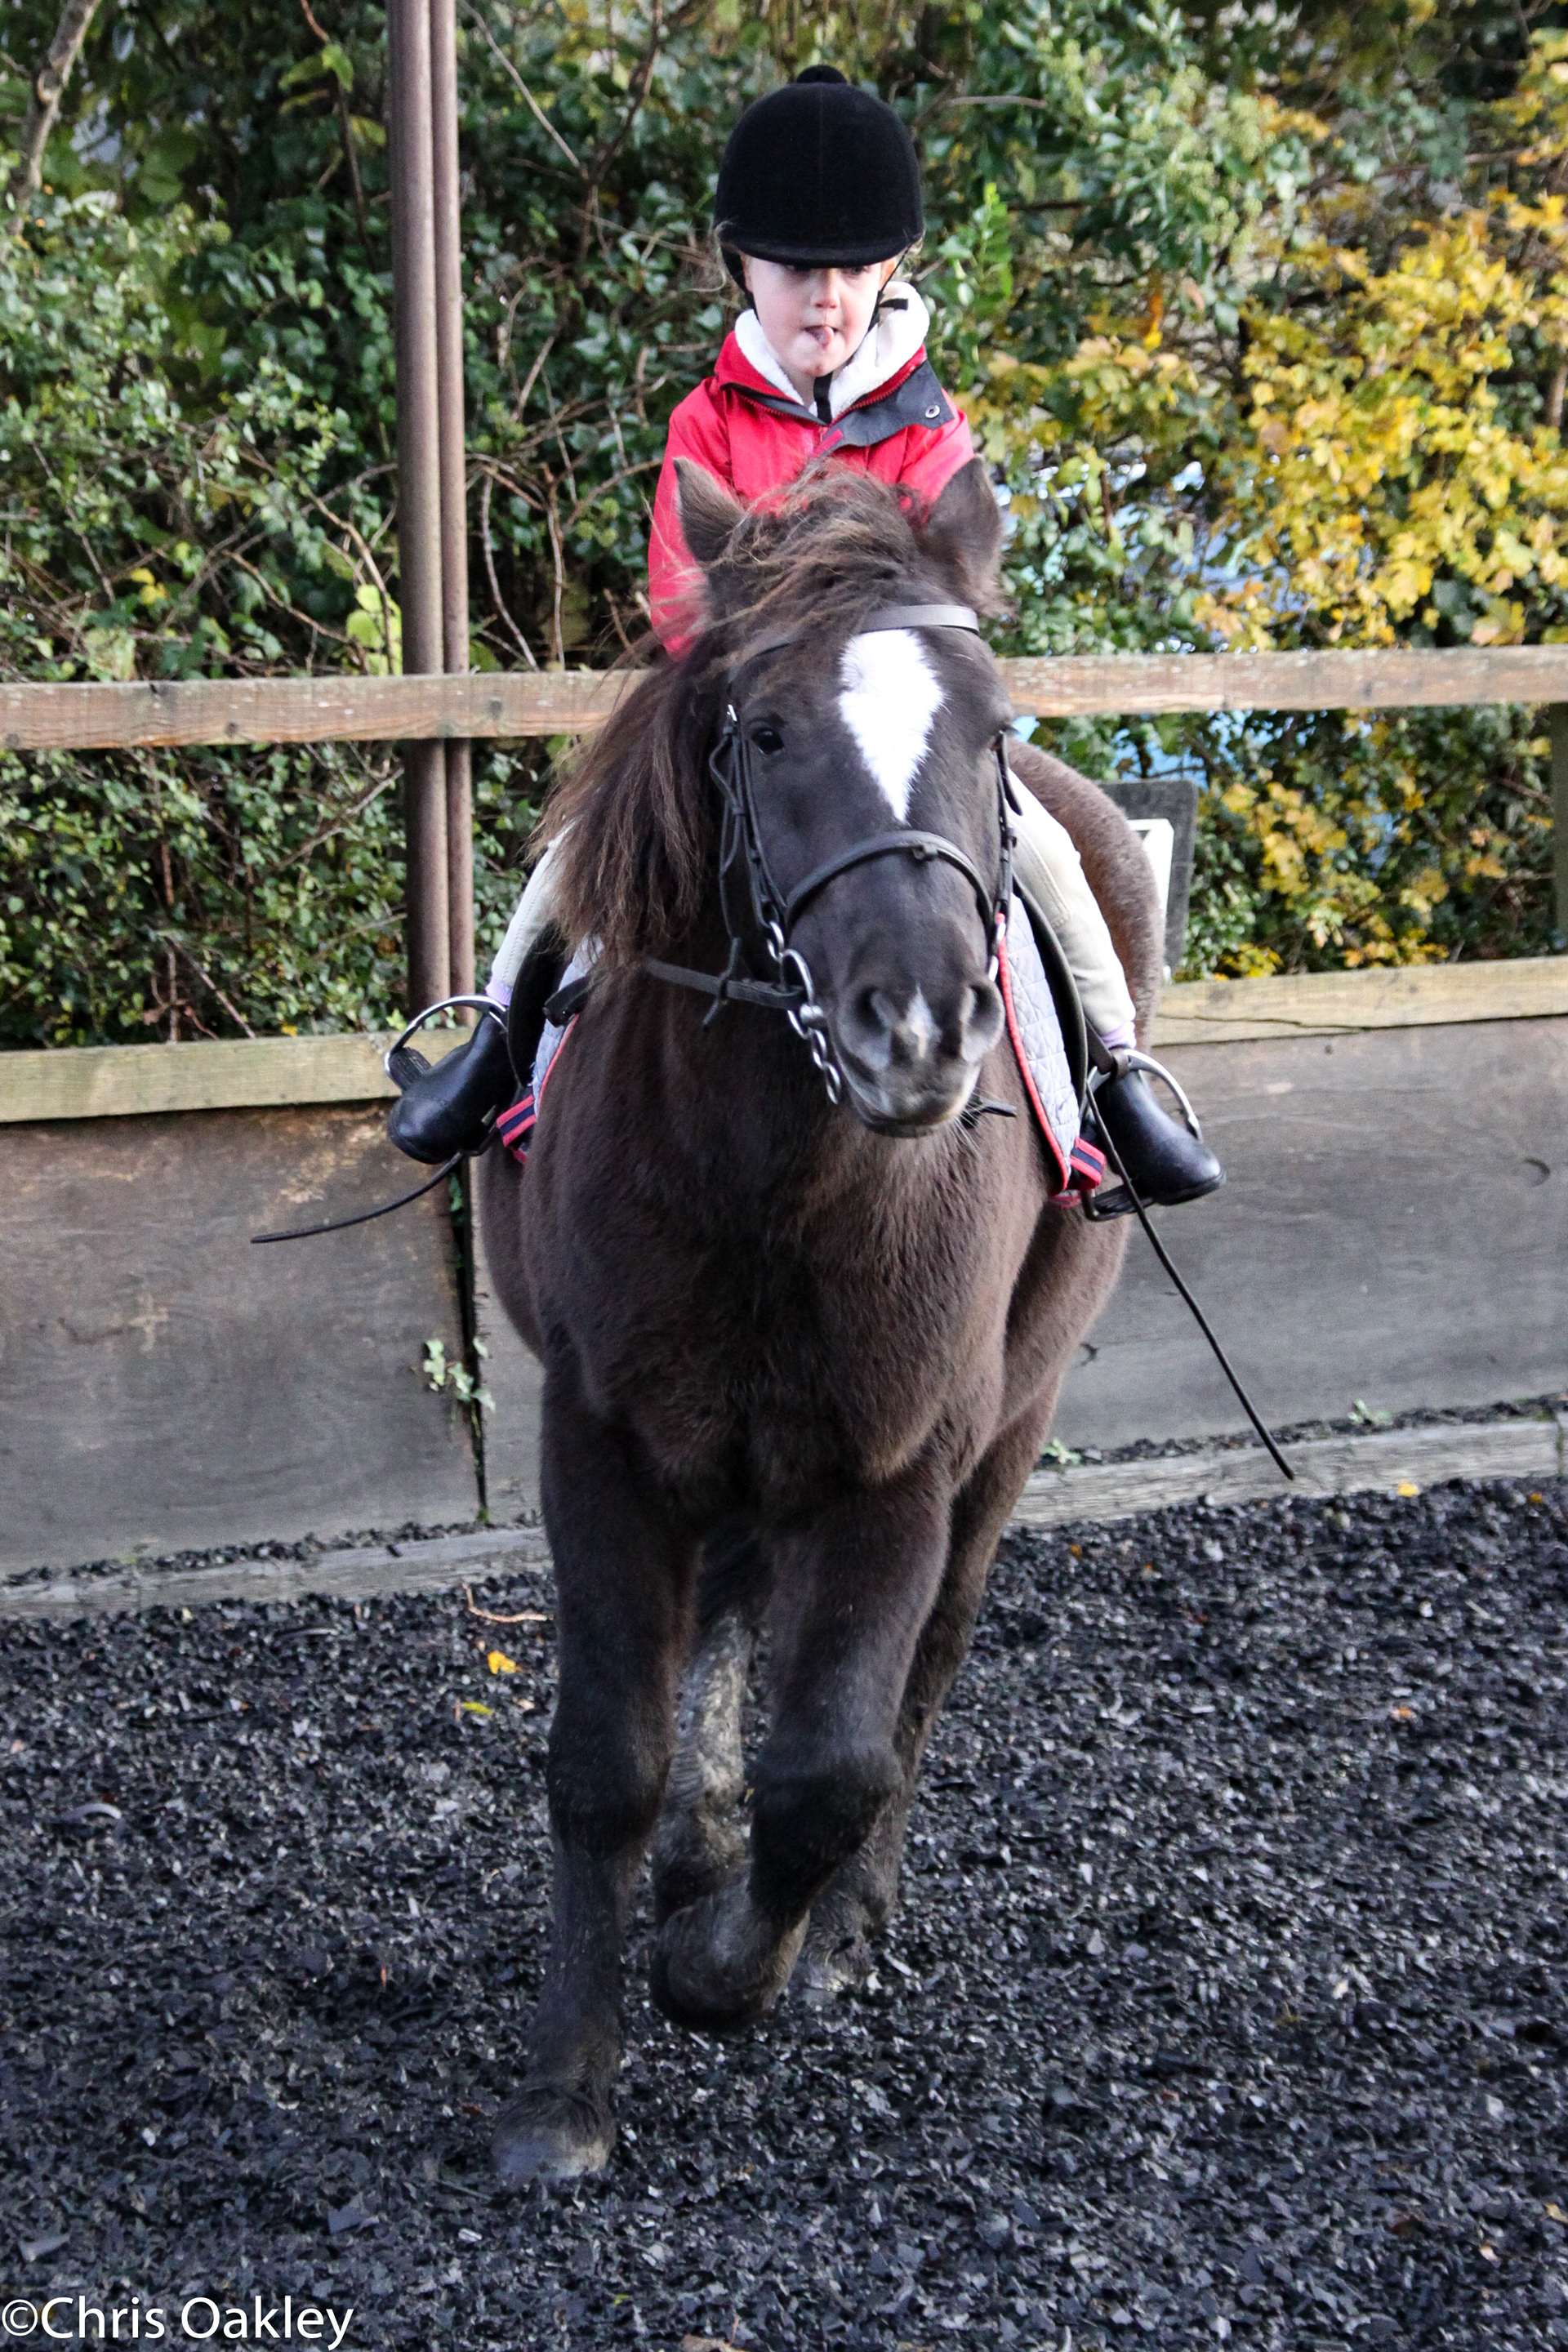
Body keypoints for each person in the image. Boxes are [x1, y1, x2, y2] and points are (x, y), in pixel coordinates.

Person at [388, 66, 1222, 1211]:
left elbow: (949, 591)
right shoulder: (710, 418)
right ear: (744, 266)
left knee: (1045, 852)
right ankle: (498, 1041)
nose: (823, 298)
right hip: (742, 711)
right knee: (580, 840)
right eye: (795, 271)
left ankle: (1114, 1077)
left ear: (890, 273)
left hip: (895, 734)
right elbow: (683, 596)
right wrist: (782, 649)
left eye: (849, 271)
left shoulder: (928, 423)